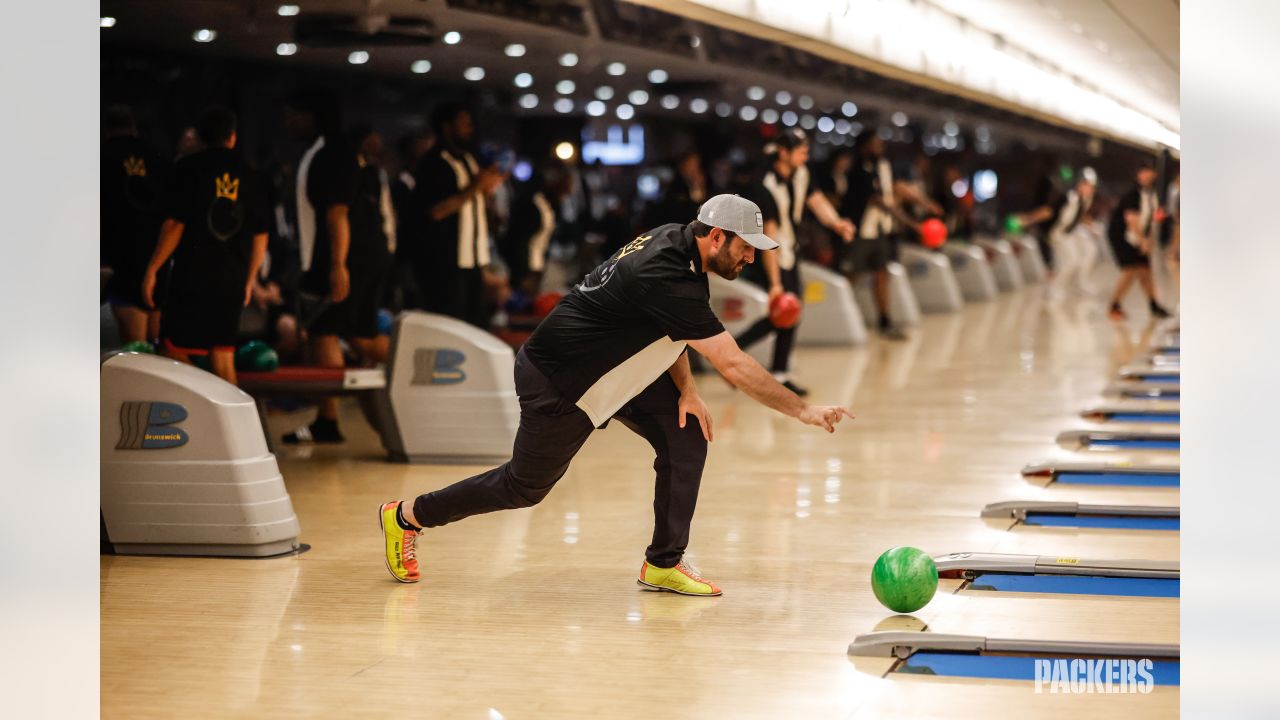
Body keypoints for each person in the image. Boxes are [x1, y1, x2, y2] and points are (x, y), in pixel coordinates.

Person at [378, 194, 855, 592]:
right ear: (716, 237)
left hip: (616, 370)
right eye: (746, 248)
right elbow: (732, 363)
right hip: (561, 379)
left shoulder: (679, 243)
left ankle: (664, 563)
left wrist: (686, 390)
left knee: (686, 435)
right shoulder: (665, 274)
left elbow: (670, 330)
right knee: (523, 488)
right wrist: (803, 410)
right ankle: (407, 517)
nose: (751, 258)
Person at [140, 107, 269, 385]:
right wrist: (249, 281)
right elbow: (261, 237)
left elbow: (175, 225)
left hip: (193, 276)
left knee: (170, 349)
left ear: (199, 137)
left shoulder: (188, 167)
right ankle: (233, 425)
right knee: (223, 356)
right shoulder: (251, 174)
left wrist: (153, 269)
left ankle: (198, 414)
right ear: (232, 137)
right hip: (232, 279)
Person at [736, 129, 856, 396]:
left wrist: (837, 223)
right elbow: (767, 234)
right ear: (783, 153)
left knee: (788, 313)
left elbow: (817, 201)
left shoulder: (802, 173)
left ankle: (768, 365)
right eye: (801, 150)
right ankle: (745, 356)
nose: (806, 155)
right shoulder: (763, 184)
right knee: (786, 310)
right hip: (766, 254)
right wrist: (775, 282)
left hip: (789, 250)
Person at [281, 88, 360, 444]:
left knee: (330, 333)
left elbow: (337, 211)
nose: (289, 120)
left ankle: (331, 418)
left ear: (313, 114)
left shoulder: (332, 152)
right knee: (321, 334)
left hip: (330, 258)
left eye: (295, 112)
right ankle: (326, 417)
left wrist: (338, 264)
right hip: (319, 257)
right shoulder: (317, 151)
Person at [411, 101, 506, 327]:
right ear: (446, 127)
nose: (469, 129)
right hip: (446, 260)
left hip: (474, 257)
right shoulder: (434, 162)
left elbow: (477, 198)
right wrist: (475, 186)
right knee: (451, 323)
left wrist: (488, 191)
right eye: (463, 124)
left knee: (476, 323)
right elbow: (436, 211)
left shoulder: (468, 159)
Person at [101, 105, 168, 345]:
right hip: (157, 260)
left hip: (122, 263)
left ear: (107, 130)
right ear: (134, 128)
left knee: (134, 351)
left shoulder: (102, 158)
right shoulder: (156, 157)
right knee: (157, 348)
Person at [841, 132, 908, 340]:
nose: (878, 148)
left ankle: (884, 320)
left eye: (880, 145)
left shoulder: (884, 168)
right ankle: (841, 318)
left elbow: (895, 190)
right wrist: (907, 221)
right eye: (874, 145)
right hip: (860, 231)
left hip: (880, 231)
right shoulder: (857, 170)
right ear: (863, 147)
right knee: (851, 275)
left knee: (881, 274)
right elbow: (875, 199)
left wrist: (922, 203)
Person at [1017, 167, 1101, 298]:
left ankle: (1080, 282)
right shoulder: (1068, 198)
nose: (1088, 189)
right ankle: (1053, 287)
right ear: (1079, 184)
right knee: (1070, 260)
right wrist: (1029, 219)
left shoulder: (1085, 199)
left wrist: (1091, 227)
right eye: (1086, 185)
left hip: (1071, 231)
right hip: (1057, 233)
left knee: (1089, 250)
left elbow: (1081, 215)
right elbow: (1048, 211)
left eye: (1091, 186)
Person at [1107, 164, 1171, 320]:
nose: (1148, 175)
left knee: (1145, 271)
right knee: (1130, 270)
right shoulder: (1133, 194)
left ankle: (1154, 304)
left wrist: (1149, 238)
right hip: (1124, 237)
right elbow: (1131, 220)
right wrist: (1143, 241)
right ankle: (1114, 305)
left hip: (1140, 237)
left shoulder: (1152, 194)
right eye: (1145, 171)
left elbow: (1154, 216)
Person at [501, 163, 572, 299]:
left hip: (537, 264)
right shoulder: (531, 204)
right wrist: (523, 273)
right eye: (565, 186)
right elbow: (519, 239)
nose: (569, 191)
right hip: (522, 266)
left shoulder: (551, 206)